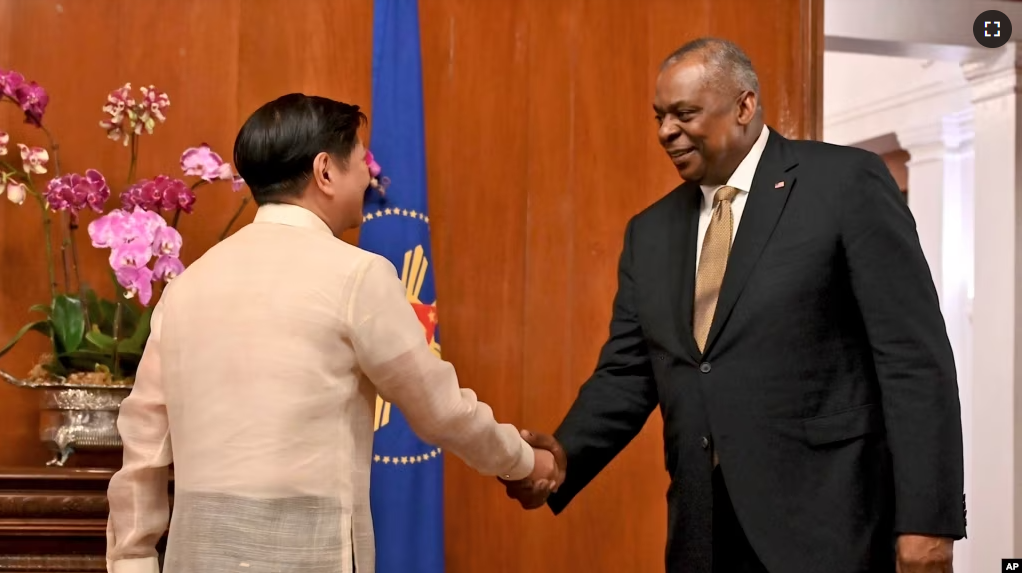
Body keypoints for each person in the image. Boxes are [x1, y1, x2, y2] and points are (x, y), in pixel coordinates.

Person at [502, 38, 966, 573]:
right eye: (659, 117)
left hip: (833, 530)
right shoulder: (648, 233)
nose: (665, 132)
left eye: (684, 114)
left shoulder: (845, 184)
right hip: (705, 536)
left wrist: (929, 523)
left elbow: (913, 359)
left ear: (744, 106)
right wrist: (562, 458)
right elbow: (627, 374)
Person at [104, 93, 558, 573]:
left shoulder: (186, 287)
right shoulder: (358, 276)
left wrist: (132, 562)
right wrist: (526, 463)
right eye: (360, 161)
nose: (368, 176)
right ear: (325, 171)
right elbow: (441, 411)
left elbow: (143, 455)